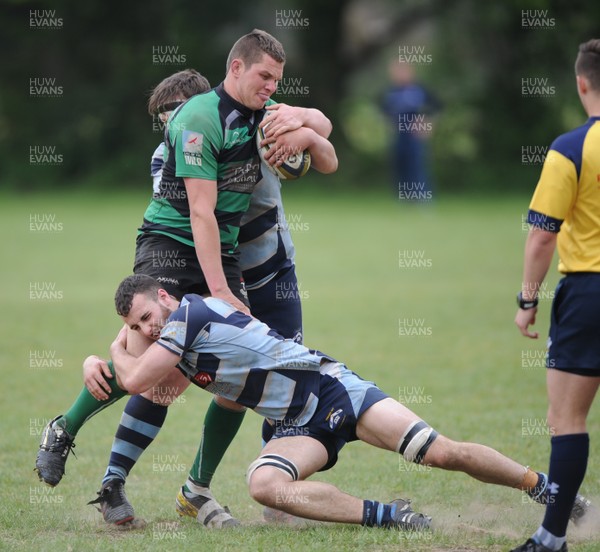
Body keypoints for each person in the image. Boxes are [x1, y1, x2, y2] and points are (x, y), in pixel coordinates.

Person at [36, 29, 337, 528]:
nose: (171, 127)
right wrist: (130, 336)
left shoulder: (254, 122)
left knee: (248, 381)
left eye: (177, 114)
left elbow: (320, 149)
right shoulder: (175, 152)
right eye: (163, 120)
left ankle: (226, 490)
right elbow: (197, 220)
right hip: (199, 260)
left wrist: (301, 124)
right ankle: (99, 467)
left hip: (265, 270)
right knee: (160, 368)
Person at [106, 273, 589, 531]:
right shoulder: (177, 343)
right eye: (136, 327)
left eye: (148, 316)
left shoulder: (188, 316)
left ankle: (547, 489)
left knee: (442, 453)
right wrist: (124, 355)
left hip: (331, 389)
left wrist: (108, 353)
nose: (147, 328)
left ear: (166, 297)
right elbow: (156, 390)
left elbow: (134, 382)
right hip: (298, 424)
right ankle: (389, 517)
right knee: (264, 485)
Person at [511, 38, 600, 552]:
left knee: (567, 419)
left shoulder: (570, 149)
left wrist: (527, 301)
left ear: (581, 82)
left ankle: (551, 539)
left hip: (589, 292)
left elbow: (543, 235)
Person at [381, 61, 440, 200]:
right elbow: (384, 113)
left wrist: (428, 124)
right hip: (399, 136)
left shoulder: (420, 90)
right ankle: (404, 200)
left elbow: (436, 108)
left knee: (417, 168)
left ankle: (423, 199)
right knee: (400, 167)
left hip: (415, 136)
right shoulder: (391, 93)